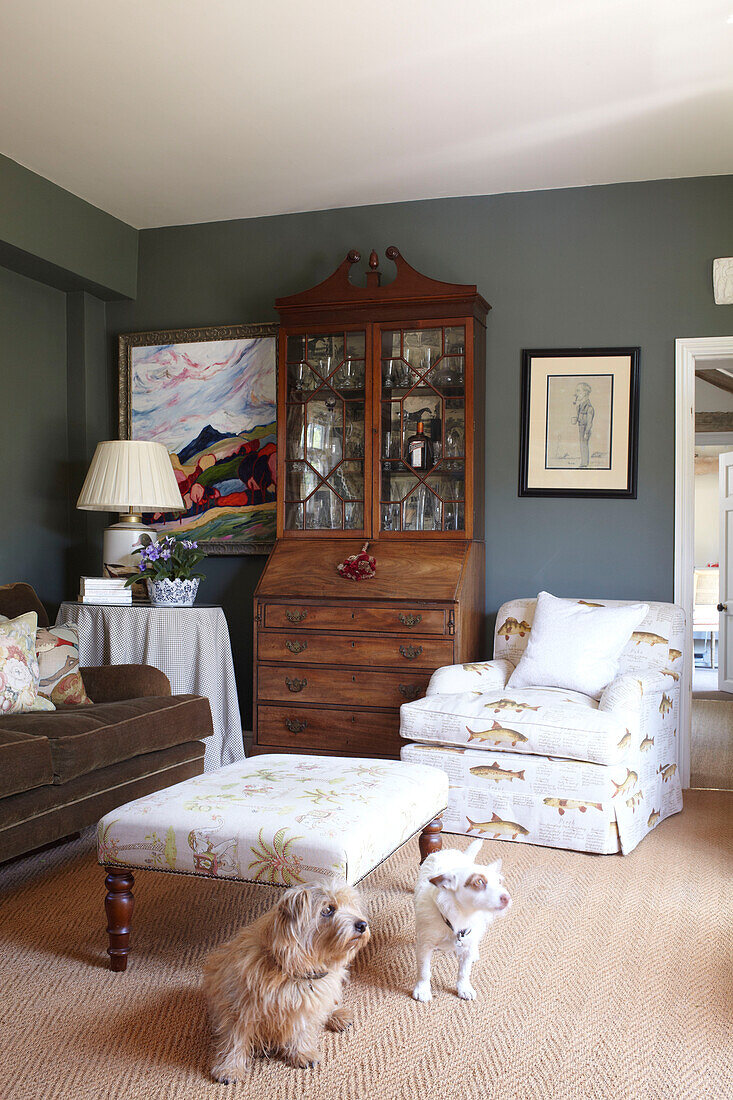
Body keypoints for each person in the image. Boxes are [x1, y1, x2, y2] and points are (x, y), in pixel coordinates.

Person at [571, 381, 594, 468]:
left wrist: (587, 432)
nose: (576, 393)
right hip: (581, 428)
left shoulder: (589, 407)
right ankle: (583, 462)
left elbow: (589, 422)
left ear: (585, 393)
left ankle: (584, 463)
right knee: (582, 445)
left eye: (578, 391)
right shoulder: (579, 406)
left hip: (585, 429)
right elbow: (576, 418)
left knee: (584, 445)